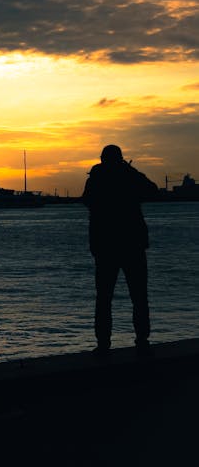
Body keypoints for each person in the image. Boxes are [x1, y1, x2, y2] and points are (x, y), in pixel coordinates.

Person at [82, 145, 158, 356]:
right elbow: (153, 191)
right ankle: (142, 340)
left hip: (105, 246)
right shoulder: (129, 176)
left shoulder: (96, 178)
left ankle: (104, 344)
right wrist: (130, 171)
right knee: (139, 296)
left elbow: (87, 201)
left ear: (102, 159)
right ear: (121, 159)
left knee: (104, 298)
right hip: (132, 244)